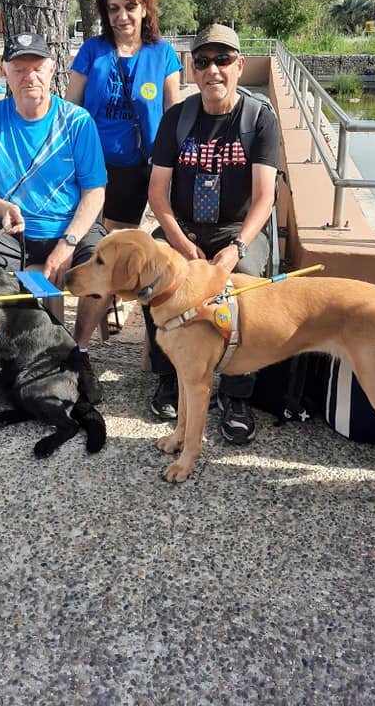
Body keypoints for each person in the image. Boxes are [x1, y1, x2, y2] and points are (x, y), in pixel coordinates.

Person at [145, 23, 280, 441]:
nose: (213, 70)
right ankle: (170, 376)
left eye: (223, 60)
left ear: (240, 65)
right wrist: (181, 244)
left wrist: (238, 248)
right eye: (203, 62)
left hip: (237, 230)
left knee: (247, 287)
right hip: (184, 228)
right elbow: (157, 194)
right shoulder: (176, 120)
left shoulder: (260, 120)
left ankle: (237, 392)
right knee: (153, 274)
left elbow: (263, 199)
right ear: (192, 69)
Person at [0, 32, 111, 400]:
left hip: (69, 229)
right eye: (19, 68)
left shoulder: (77, 122)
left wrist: (68, 243)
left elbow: (95, 192)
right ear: (5, 73)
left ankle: (77, 351)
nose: (29, 76)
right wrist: (1, 207)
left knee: (106, 266)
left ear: (52, 69)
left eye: (37, 67)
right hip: (10, 230)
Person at [65, 0, 182, 330]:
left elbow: (173, 115)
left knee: (118, 245)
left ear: (145, 8)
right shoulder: (92, 51)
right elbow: (71, 107)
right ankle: (93, 320)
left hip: (140, 166)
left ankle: (109, 301)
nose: (122, 16)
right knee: (96, 243)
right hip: (93, 167)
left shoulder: (162, 54)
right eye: (114, 8)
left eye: (130, 7)